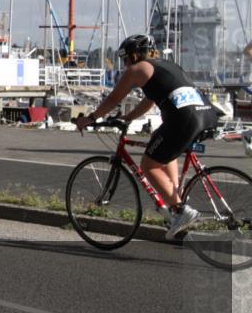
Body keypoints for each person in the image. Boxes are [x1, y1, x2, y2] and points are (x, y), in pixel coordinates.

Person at [74, 34, 219, 239]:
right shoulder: (164, 65)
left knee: (148, 166)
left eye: (125, 59)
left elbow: (115, 98)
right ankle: (174, 198)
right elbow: (150, 100)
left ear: (134, 55)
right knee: (160, 145)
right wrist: (129, 117)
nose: (124, 64)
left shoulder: (137, 69)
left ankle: (181, 209)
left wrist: (90, 118)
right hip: (206, 114)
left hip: (184, 119)